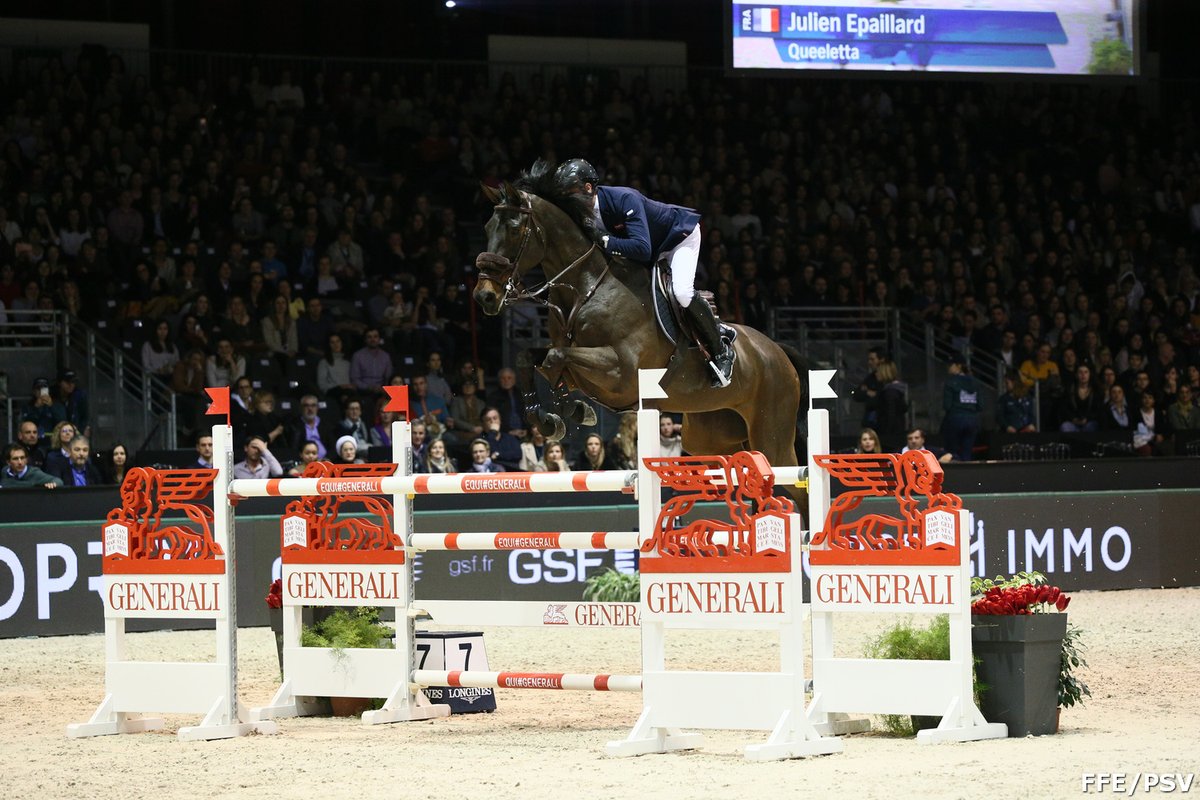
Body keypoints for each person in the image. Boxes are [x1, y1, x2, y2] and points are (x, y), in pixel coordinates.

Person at [557, 157, 734, 387]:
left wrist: (605, 240)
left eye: (568, 194)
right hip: (650, 249)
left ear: (588, 188)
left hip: (677, 238)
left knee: (681, 292)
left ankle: (721, 349)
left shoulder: (623, 199)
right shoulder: (581, 214)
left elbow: (642, 248)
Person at [942, 354, 982, 461]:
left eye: (951, 365)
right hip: (972, 420)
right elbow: (980, 405)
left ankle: (954, 475)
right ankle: (966, 476)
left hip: (955, 419)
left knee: (951, 452)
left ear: (959, 366)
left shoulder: (950, 382)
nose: (948, 367)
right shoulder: (975, 382)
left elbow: (947, 405)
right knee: (967, 452)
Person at [286, 394, 332, 460]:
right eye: (306, 406)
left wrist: (327, 458)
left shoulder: (325, 424)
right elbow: (293, 449)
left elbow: (333, 446)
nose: (310, 409)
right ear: (301, 408)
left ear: (317, 407)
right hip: (305, 462)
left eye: (313, 405)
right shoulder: (295, 425)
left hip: (325, 461)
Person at [20, 378, 64, 447]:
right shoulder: (28, 406)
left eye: (44, 389)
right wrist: (36, 408)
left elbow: (62, 422)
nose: (41, 392)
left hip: (52, 442)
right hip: (33, 442)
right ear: (34, 391)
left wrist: (52, 406)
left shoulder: (57, 405)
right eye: (38, 389)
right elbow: (26, 424)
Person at [850, 347, 884, 428]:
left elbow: (883, 398)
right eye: (869, 359)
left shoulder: (888, 378)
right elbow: (856, 395)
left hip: (884, 422)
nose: (869, 362)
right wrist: (867, 392)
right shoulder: (870, 378)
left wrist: (875, 394)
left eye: (872, 359)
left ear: (881, 360)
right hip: (871, 422)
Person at [479, 406, 522, 471]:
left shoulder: (510, 438)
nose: (492, 421)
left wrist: (498, 455)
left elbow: (518, 455)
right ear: (483, 423)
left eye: (495, 418)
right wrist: (492, 433)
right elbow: (489, 454)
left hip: (512, 472)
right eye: (488, 419)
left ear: (500, 420)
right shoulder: (480, 440)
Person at [874, 360, 908, 437]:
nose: (876, 374)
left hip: (890, 434)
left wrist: (886, 434)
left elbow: (890, 414)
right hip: (896, 431)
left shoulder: (889, 393)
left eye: (878, 371)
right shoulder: (896, 390)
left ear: (884, 373)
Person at [997, 369, 1036, 433]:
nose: (1005, 385)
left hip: (1026, 432)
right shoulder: (1003, 399)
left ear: (1014, 382)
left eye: (1007, 383)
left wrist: (1032, 424)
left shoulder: (1027, 397)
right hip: (1009, 433)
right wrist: (1007, 427)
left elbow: (1031, 414)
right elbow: (999, 416)